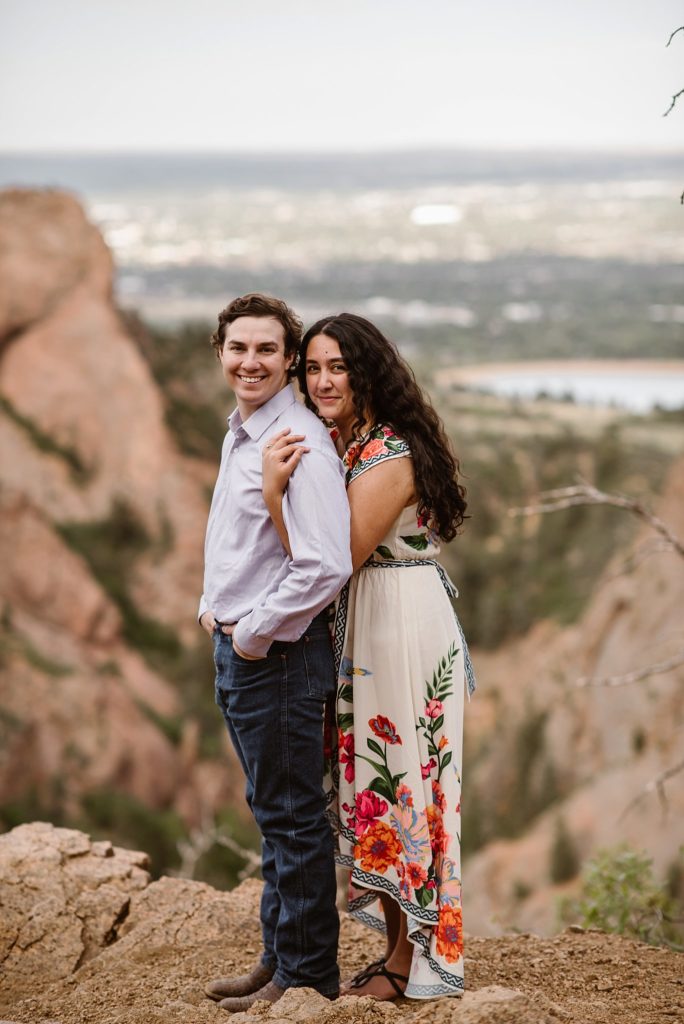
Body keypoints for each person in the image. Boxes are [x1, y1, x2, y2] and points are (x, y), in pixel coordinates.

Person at [262, 313, 475, 1002]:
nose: (322, 380)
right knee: (383, 791)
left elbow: (336, 559)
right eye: (313, 368)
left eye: (338, 367)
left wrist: (272, 499)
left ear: (367, 371)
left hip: (398, 623)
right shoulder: (343, 443)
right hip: (368, 623)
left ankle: (412, 963)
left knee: (402, 785)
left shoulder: (389, 453)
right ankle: (398, 954)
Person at [198, 294, 352, 1013]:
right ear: (221, 352)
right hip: (244, 648)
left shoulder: (297, 441)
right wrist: (213, 607)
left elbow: (323, 564)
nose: (250, 362)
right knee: (274, 814)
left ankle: (308, 979)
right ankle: (279, 958)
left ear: (289, 359)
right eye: (238, 348)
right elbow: (237, 538)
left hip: (278, 658)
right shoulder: (245, 431)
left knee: (292, 820)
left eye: (266, 350)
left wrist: (255, 632)